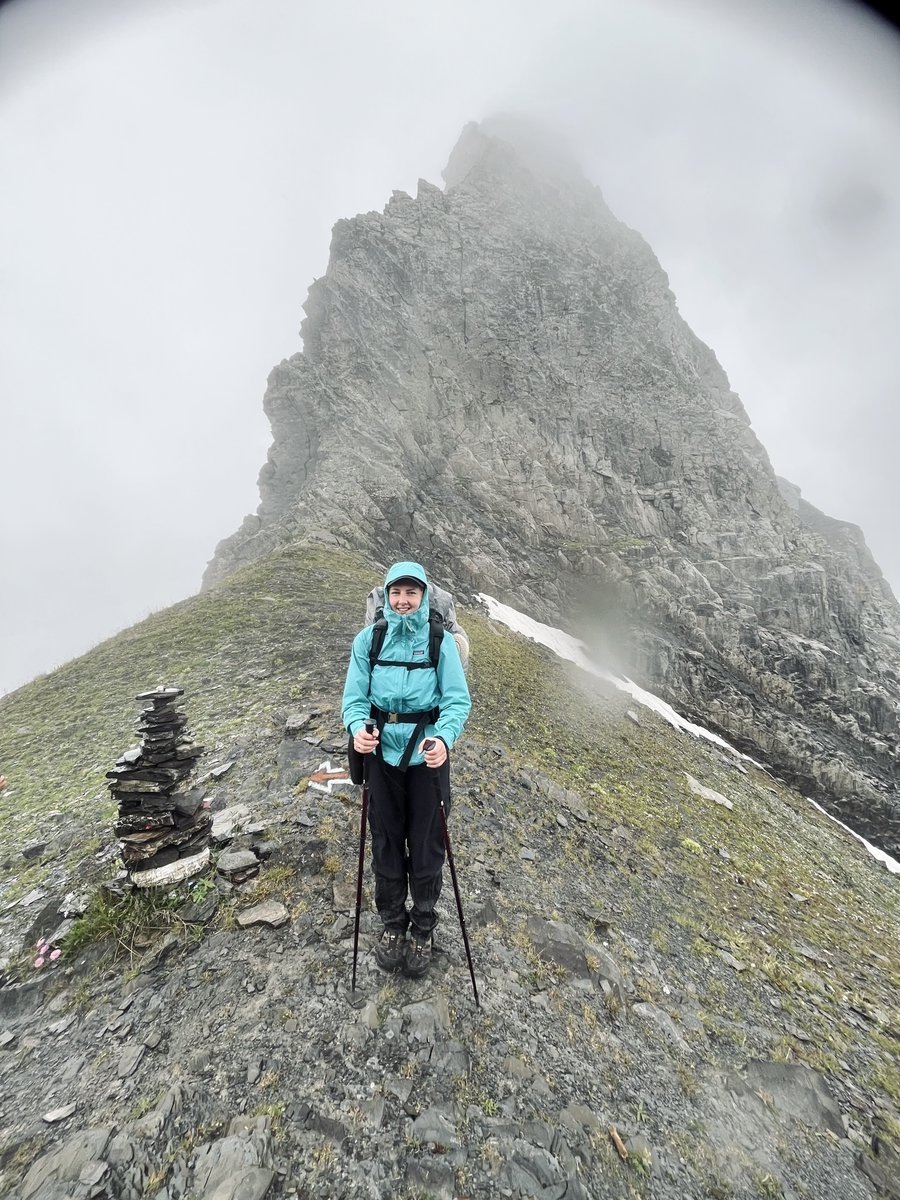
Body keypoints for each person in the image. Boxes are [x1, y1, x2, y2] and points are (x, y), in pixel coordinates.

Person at [342, 561, 471, 978]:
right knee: (386, 841)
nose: (402, 601)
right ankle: (394, 925)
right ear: (386, 595)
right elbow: (354, 697)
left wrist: (444, 739)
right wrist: (358, 729)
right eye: (396, 592)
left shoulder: (440, 641)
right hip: (381, 754)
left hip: (426, 756)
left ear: (424, 597)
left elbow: (456, 700)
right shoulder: (369, 639)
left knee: (428, 842)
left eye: (411, 593)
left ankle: (424, 926)